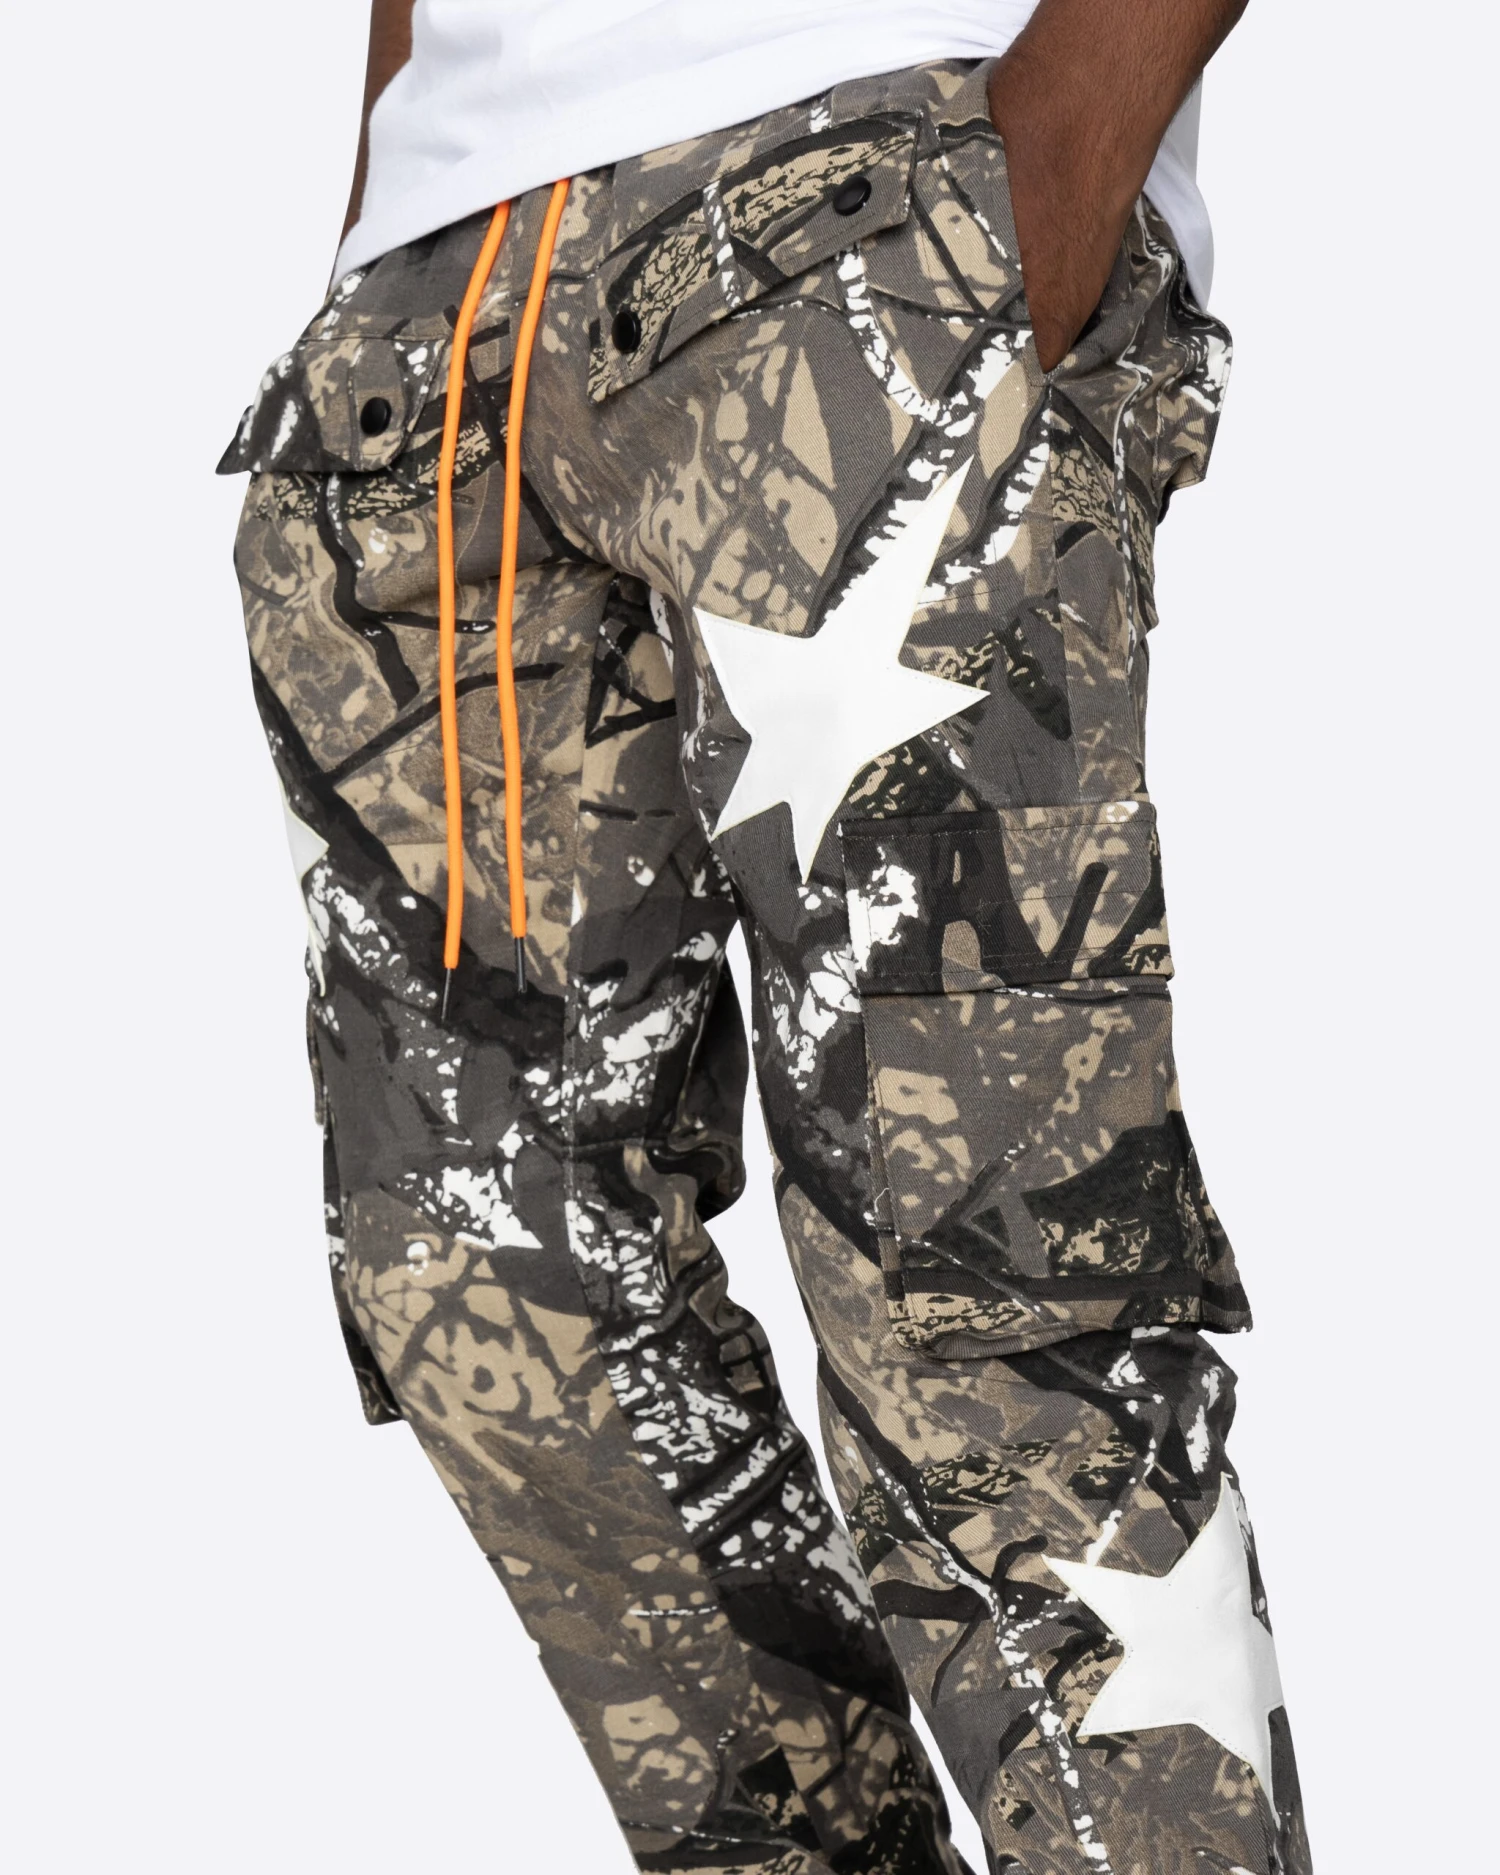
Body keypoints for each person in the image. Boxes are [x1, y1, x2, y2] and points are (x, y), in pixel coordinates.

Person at [220, 4, 1312, 1870]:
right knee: (483, 1280)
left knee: (987, 1323)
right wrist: (388, 188)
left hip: (853, 215)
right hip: (430, 341)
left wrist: (1041, 179)